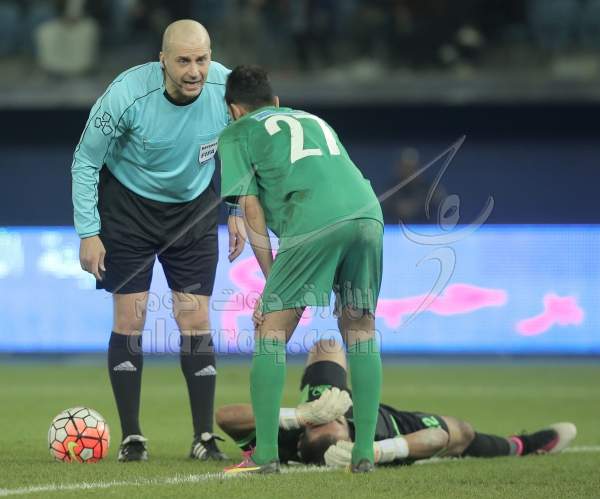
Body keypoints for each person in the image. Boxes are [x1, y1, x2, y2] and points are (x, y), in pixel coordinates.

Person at [71, 19, 246, 462]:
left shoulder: (227, 88)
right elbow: (86, 161)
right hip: (128, 209)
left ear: (211, 57)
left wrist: (237, 209)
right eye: (183, 61)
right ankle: (132, 438)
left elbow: (244, 147)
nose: (194, 71)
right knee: (130, 320)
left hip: (194, 210)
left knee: (196, 320)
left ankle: (203, 438)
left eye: (202, 59)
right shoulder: (126, 94)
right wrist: (89, 232)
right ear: (163, 59)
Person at [218, 65, 385, 474]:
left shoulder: (237, 132)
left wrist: (271, 279)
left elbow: (250, 207)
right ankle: (363, 453)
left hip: (314, 217)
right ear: (276, 102)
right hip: (369, 214)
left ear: (233, 110)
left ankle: (264, 455)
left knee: (271, 331)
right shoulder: (313, 119)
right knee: (361, 330)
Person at [216, 340, 578, 468]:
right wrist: (377, 452)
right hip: (395, 427)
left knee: (328, 346)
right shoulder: (374, 436)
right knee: (462, 433)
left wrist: (300, 413)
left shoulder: (291, 434)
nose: (338, 414)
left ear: (301, 433)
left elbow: (225, 417)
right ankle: (523, 445)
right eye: (337, 421)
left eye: (322, 419)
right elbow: (437, 439)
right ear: (349, 435)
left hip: (314, 403)